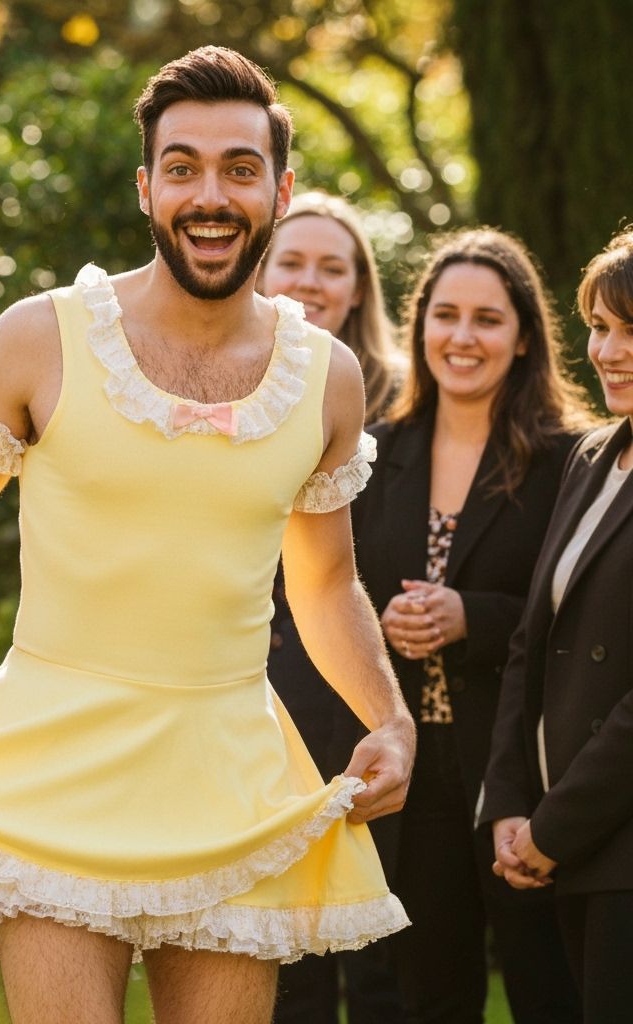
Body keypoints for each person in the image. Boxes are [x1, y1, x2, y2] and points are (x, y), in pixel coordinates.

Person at [0, 47, 415, 1024]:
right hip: (56, 762)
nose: (208, 195)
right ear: (145, 188)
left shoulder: (328, 379)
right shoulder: (39, 339)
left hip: (229, 777)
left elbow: (326, 581)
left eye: (238, 168)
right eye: (182, 167)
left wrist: (387, 715)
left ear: (280, 188)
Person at [352, 229, 589, 1022]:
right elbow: (336, 591)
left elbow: (587, 619)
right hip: (415, 771)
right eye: (445, 314)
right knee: (432, 994)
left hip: (523, 770)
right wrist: (384, 619)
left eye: (487, 319)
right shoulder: (374, 453)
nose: (462, 337)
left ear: (524, 337)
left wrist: (471, 618)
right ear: (420, 325)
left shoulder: (573, 460)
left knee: (549, 987)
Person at [260, 193, 405, 1023]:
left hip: (367, 698)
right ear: (262, 271)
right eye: (293, 262)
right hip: (260, 704)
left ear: (358, 289)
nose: (310, 282)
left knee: (382, 957)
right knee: (286, 953)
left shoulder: (402, 410)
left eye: (331, 267)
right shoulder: (222, 390)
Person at [481, 229, 633, 1022]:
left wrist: (554, 829)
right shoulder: (592, 456)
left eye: (632, 330)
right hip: (561, 844)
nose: (609, 351)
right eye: (600, 327)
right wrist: (510, 802)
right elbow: (531, 645)